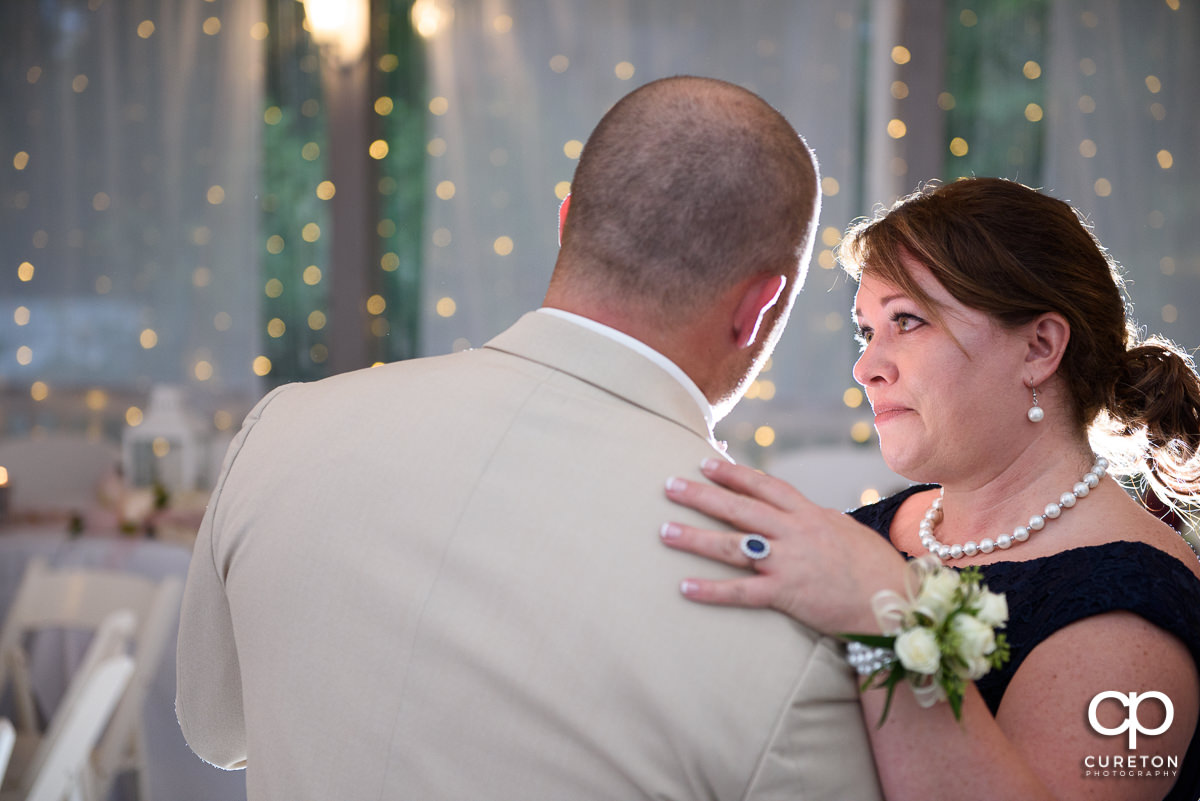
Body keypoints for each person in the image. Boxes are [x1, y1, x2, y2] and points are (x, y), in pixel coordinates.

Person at [176, 76, 885, 799]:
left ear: (566, 222)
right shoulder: (785, 610)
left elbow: (214, 729)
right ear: (760, 307)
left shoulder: (284, 428)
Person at [660, 177, 1200, 801]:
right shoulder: (868, 533)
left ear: (1039, 347)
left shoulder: (1136, 612)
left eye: (907, 322)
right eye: (868, 331)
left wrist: (883, 615)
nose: (866, 368)